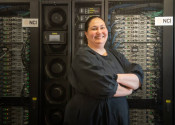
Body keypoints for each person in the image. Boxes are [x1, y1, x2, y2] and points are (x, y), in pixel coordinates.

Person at [64, 16, 144, 125]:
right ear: (86, 34)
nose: (99, 32)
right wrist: (129, 89)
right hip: (92, 117)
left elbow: (138, 77)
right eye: (94, 28)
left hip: (118, 117)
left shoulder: (115, 55)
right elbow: (103, 87)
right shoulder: (82, 57)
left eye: (102, 27)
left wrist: (115, 77)